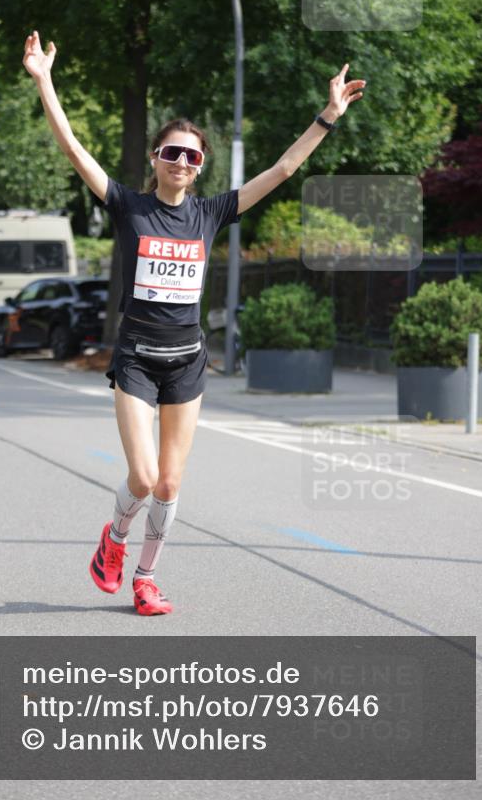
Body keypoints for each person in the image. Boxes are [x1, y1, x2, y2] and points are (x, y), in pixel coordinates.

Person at [23, 30, 365, 616]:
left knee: (170, 483)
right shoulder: (129, 206)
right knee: (142, 475)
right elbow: (75, 149)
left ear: (200, 168)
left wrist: (327, 116)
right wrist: (44, 81)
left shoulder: (211, 213)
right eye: (172, 153)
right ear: (155, 159)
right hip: (136, 359)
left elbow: (283, 169)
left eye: (193, 156)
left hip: (186, 363)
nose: (182, 162)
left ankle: (146, 579)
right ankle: (114, 539)